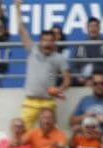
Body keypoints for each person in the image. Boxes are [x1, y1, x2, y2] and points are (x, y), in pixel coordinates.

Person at [13, 0, 70, 129]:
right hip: (30, 101)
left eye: (50, 41)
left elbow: (67, 80)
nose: (47, 43)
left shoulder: (59, 58)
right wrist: (17, 8)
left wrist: (59, 90)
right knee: (23, 134)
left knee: (50, 135)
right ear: (40, 41)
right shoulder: (32, 49)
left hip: (48, 102)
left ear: (55, 42)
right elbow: (21, 29)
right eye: (44, 40)